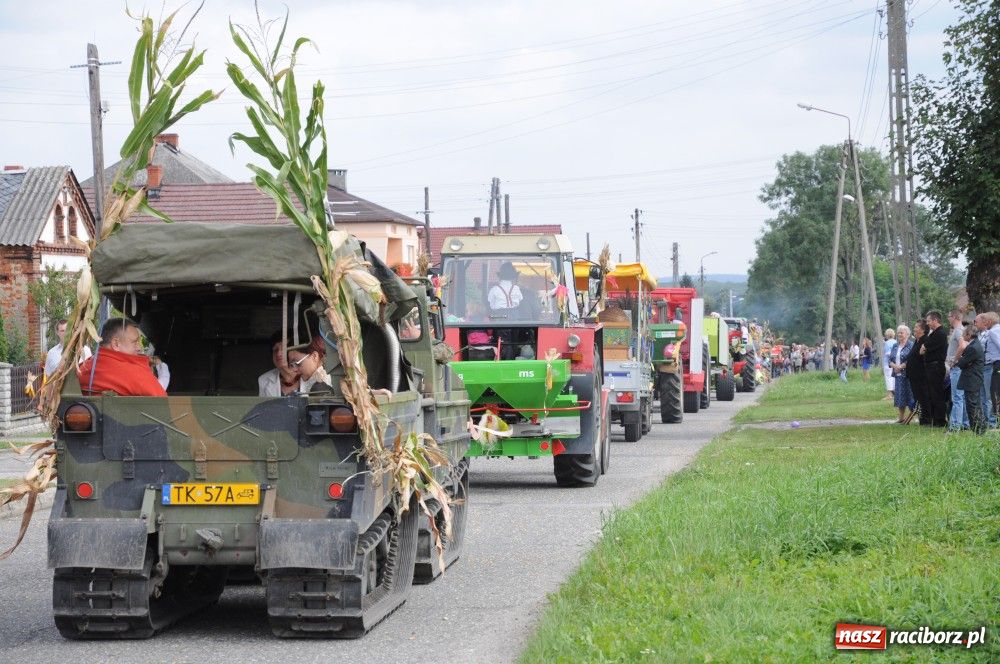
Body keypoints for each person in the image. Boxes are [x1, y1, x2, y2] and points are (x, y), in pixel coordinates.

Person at [77, 318, 167, 397]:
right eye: (135, 342)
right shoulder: (133, 373)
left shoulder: (83, 368)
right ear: (116, 344)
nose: (139, 348)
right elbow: (162, 399)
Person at [955, 325, 986, 434]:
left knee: (972, 405)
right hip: (973, 379)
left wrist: (959, 361)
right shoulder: (974, 344)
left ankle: (977, 429)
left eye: (964, 333)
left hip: (972, 380)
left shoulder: (972, 347)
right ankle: (980, 428)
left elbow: (962, 363)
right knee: (975, 404)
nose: (963, 335)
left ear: (969, 334)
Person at [921, 311, 948, 427]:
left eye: (928, 321)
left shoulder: (940, 333)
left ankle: (940, 420)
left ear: (935, 320)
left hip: (936, 366)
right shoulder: (933, 333)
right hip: (930, 367)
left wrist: (925, 347)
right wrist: (924, 347)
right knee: (932, 394)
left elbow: (925, 347)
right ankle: (935, 419)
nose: (927, 324)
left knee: (937, 394)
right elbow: (922, 348)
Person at [945, 311, 969, 432]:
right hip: (959, 368)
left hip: (957, 368)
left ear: (954, 317)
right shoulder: (961, 329)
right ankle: (965, 423)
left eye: (948, 317)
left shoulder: (959, 330)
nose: (948, 319)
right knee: (961, 397)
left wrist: (954, 359)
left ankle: (955, 426)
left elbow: (963, 345)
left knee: (957, 397)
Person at [259, 332, 301, 397]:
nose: (278, 354)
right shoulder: (264, 380)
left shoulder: (310, 376)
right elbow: (263, 406)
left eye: (284, 349)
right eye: (275, 350)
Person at [977, 311, 1000, 429]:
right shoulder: (995, 330)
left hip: (993, 364)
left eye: (985, 320)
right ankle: (990, 420)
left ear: (990, 321)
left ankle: (993, 421)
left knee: (992, 394)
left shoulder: (992, 332)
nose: (984, 323)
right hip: (988, 365)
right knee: (988, 394)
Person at [889, 324, 915, 423]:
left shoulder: (911, 345)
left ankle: (910, 416)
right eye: (898, 332)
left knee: (909, 395)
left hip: (907, 375)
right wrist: (895, 366)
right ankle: (901, 418)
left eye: (902, 332)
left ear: (907, 334)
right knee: (900, 396)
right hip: (898, 375)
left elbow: (912, 359)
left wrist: (901, 366)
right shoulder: (895, 345)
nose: (899, 334)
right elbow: (890, 359)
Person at [908, 321, 930, 425]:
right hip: (913, 375)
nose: (914, 329)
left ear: (922, 330)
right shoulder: (917, 341)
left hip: (921, 375)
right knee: (918, 397)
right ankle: (922, 418)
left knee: (923, 397)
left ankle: (926, 419)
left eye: (916, 327)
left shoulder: (924, 341)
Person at [882, 328, 897, 400]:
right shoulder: (896, 342)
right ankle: (895, 393)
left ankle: (889, 395)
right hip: (895, 363)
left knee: (888, 378)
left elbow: (888, 353)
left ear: (887, 335)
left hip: (887, 364)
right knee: (894, 378)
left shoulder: (887, 343)